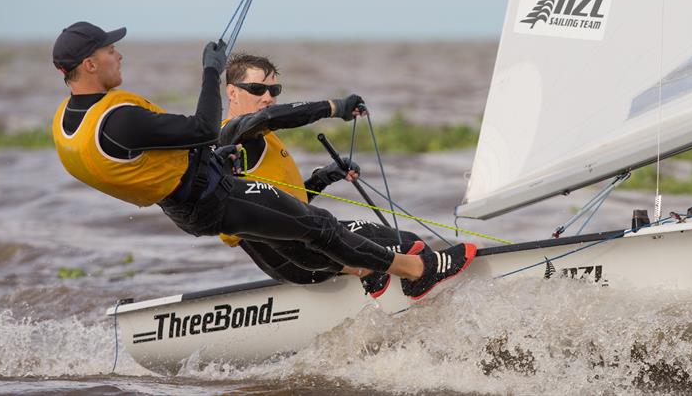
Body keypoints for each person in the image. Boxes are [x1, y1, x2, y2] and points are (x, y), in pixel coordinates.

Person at [50, 21, 476, 300]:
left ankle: (374, 272)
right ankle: (416, 270)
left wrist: (323, 178)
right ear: (90, 63)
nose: (119, 55)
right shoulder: (130, 122)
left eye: (274, 89)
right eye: (110, 51)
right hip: (212, 201)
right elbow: (209, 128)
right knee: (329, 228)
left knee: (315, 229)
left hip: (196, 203)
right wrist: (212, 73)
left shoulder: (69, 124)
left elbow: (268, 191)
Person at [218, 52, 434, 298]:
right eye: (257, 89)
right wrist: (334, 107)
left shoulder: (261, 138)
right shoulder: (231, 135)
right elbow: (270, 117)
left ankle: (385, 302)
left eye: (274, 89)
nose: (268, 97)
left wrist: (324, 177)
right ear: (232, 92)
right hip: (292, 257)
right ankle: (419, 292)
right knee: (410, 246)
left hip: (296, 252)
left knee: (406, 242)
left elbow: (286, 207)